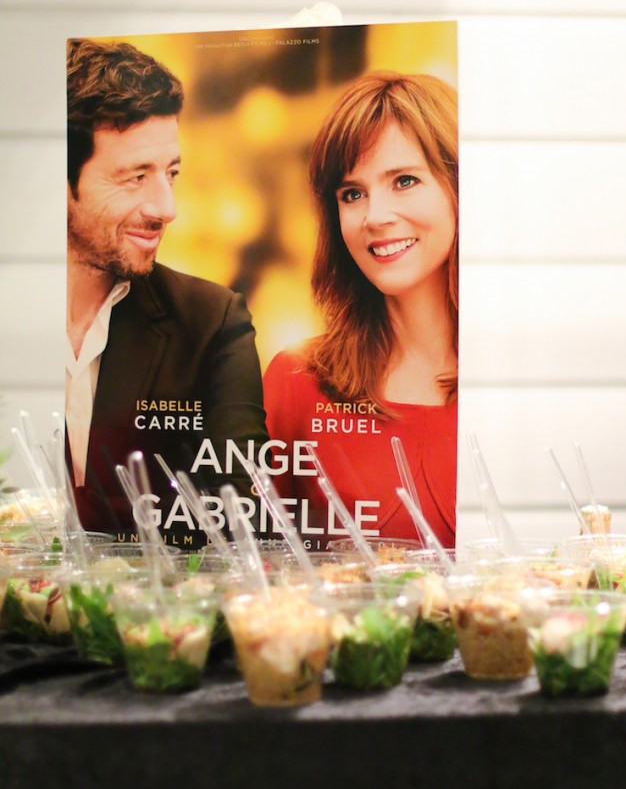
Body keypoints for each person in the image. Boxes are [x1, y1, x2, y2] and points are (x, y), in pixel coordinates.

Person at [66, 38, 269, 544]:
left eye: (171, 174)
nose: (166, 208)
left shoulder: (211, 323)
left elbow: (244, 528)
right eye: (135, 178)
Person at [263, 70, 458, 549]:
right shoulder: (297, 381)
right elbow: (254, 565)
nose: (375, 216)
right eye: (352, 194)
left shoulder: (521, 385)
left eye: (405, 181)